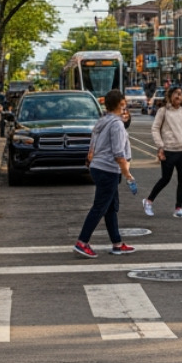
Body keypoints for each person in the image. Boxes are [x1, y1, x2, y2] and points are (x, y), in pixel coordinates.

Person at [73, 89, 140, 258]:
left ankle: (117, 243)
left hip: (99, 167)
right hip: (108, 169)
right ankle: (82, 242)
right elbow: (119, 153)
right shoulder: (116, 125)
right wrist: (128, 175)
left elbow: (92, 146)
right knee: (100, 207)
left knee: (110, 208)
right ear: (121, 104)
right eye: (124, 104)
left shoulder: (102, 121)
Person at [146, 86, 182, 219]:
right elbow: (155, 129)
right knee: (165, 179)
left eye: (180, 94)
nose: (178, 96)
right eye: (176, 93)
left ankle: (178, 208)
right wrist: (160, 146)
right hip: (168, 151)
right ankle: (149, 201)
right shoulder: (163, 111)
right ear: (170, 96)